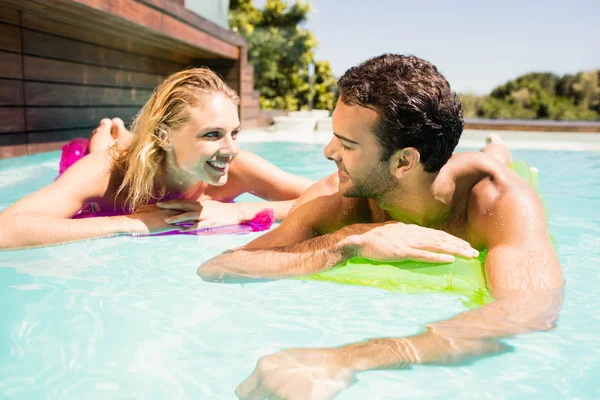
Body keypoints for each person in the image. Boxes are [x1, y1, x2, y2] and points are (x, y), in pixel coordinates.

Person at [197, 54, 564, 400]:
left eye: (346, 144)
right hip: (425, 172)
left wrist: (348, 359)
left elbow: (527, 313)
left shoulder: (498, 201)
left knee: (493, 158)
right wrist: (346, 242)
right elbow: (219, 267)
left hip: (476, 170)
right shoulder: (337, 203)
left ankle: (497, 147)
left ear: (404, 161)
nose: (327, 152)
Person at [0, 68, 312, 249]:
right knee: (101, 148)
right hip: (105, 159)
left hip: (154, 152)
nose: (231, 149)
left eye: (235, 132)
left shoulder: (237, 168)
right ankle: (111, 129)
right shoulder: (107, 171)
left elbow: (335, 195)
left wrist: (243, 210)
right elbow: (6, 229)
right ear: (165, 135)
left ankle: (124, 132)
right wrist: (129, 222)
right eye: (212, 134)